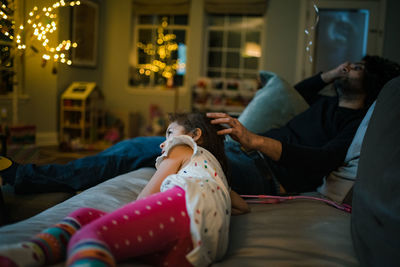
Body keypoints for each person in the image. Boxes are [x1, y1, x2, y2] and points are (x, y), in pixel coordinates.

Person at [0, 55, 399, 196]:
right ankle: (33, 177)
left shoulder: (360, 121)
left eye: (359, 67)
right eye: (348, 63)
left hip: (266, 174)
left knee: (143, 149)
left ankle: (25, 176)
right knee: (150, 141)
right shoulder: (326, 99)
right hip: (246, 152)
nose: (350, 67)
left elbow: (323, 160)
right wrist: (330, 73)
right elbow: (299, 92)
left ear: (373, 80)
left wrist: (253, 139)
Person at [0, 113, 247, 267]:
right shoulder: (217, 175)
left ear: (195, 135)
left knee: (88, 237)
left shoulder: (182, 147)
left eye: (169, 133)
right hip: (203, 245)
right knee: (85, 215)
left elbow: (145, 196)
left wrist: (132, 212)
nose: (163, 142)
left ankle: (20, 256)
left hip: (185, 210)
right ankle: (35, 250)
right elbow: (242, 206)